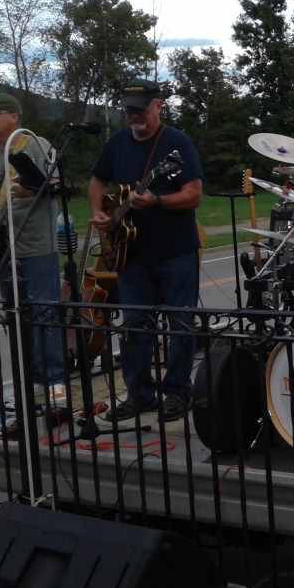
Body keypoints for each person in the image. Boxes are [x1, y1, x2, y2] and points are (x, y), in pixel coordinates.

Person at [88, 80, 203, 423]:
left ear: (158, 106)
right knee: (135, 326)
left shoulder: (176, 143)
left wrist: (157, 200)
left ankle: (177, 393)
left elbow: (194, 194)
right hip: (131, 255)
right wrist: (99, 211)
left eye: (140, 108)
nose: (133, 114)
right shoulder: (117, 142)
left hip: (175, 251)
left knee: (179, 323)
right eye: (129, 109)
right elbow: (98, 180)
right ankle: (140, 395)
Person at [0, 92, 67, 406]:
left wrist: (33, 190)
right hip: (3, 247)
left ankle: (55, 380)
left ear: (13, 116)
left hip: (37, 245)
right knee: (16, 317)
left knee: (45, 313)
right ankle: (31, 379)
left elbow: (57, 186)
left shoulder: (35, 144)